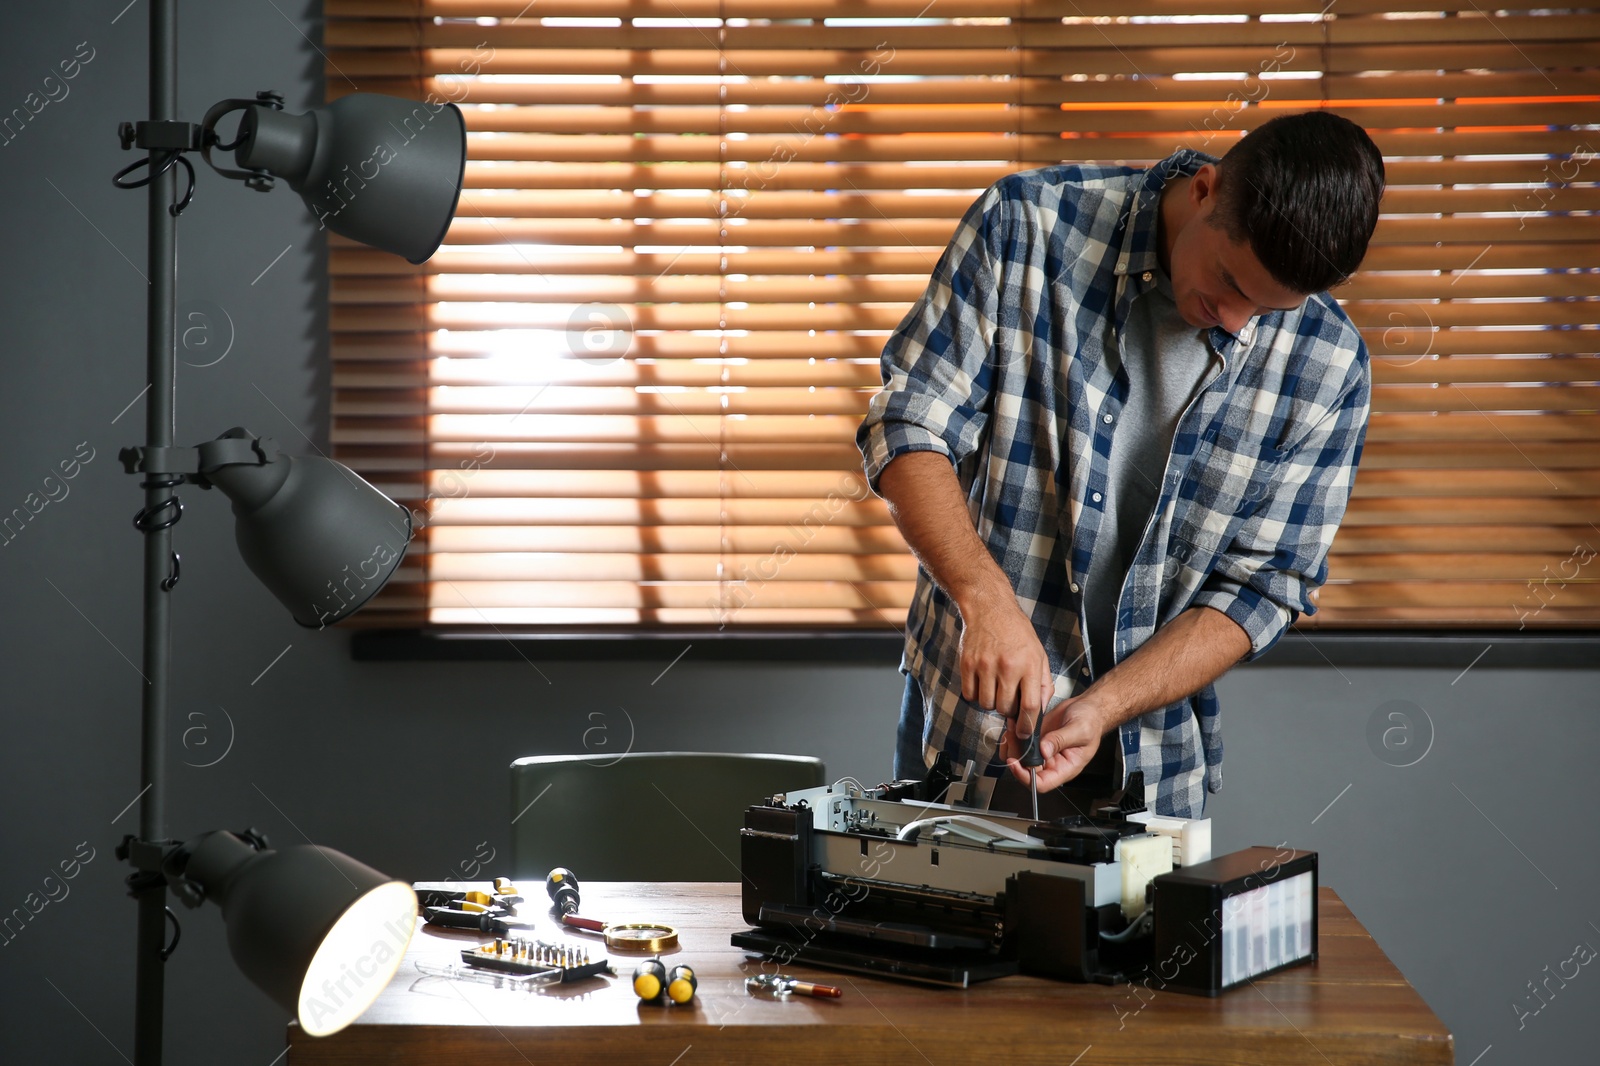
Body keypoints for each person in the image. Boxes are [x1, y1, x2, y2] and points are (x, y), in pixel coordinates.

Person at [856, 111, 1385, 817]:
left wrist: (1104, 705)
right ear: (1205, 190)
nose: (1234, 322)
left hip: (1154, 769)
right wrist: (984, 600)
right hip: (965, 734)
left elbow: (1263, 586)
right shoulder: (1025, 227)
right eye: (1229, 281)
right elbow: (909, 421)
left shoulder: (1332, 364)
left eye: (1266, 309)